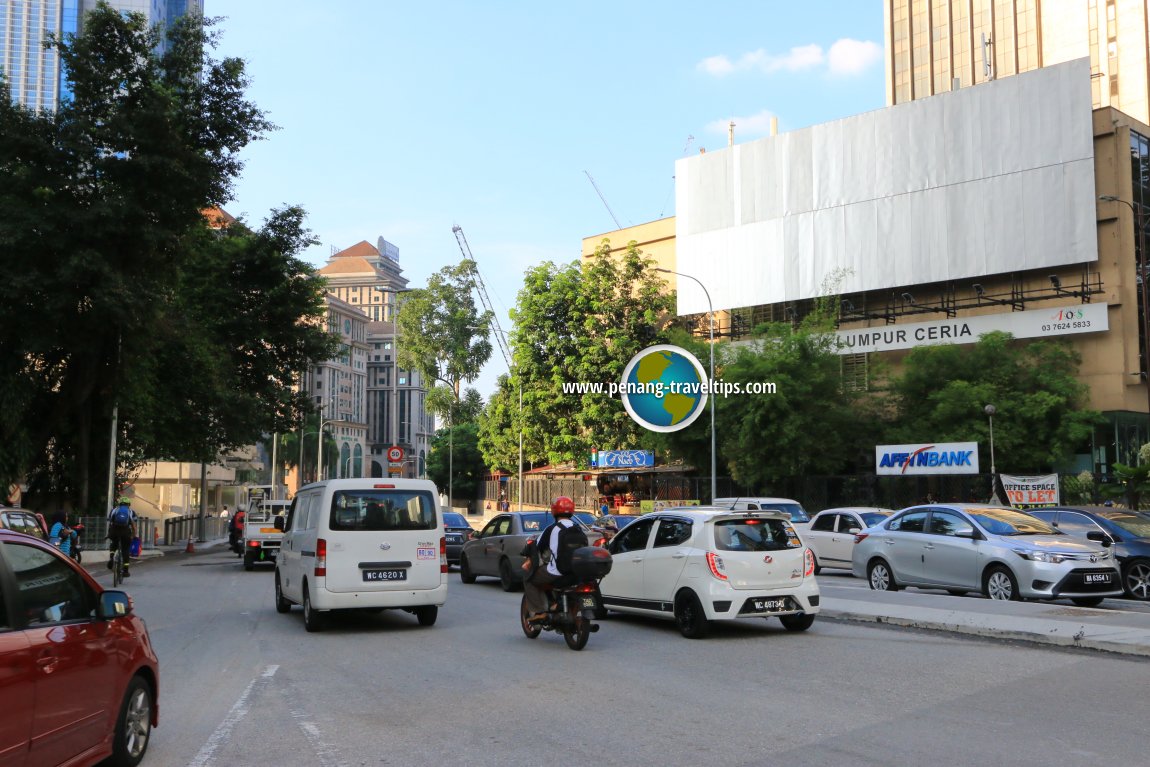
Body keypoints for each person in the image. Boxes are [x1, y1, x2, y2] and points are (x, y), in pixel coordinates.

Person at [523, 496, 585, 622]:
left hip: (557, 571)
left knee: (528, 578)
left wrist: (528, 560)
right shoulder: (578, 528)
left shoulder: (552, 529)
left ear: (554, 511)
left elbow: (536, 547)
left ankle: (540, 611)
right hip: (577, 571)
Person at [107, 496, 137, 578]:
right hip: (125, 532)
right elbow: (134, 525)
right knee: (125, 549)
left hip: (114, 531)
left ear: (119, 504)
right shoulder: (131, 511)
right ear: (128, 504)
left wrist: (110, 534)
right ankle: (126, 571)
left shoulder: (114, 510)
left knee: (114, 544)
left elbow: (110, 521)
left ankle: (111, 557)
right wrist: (133, 536)